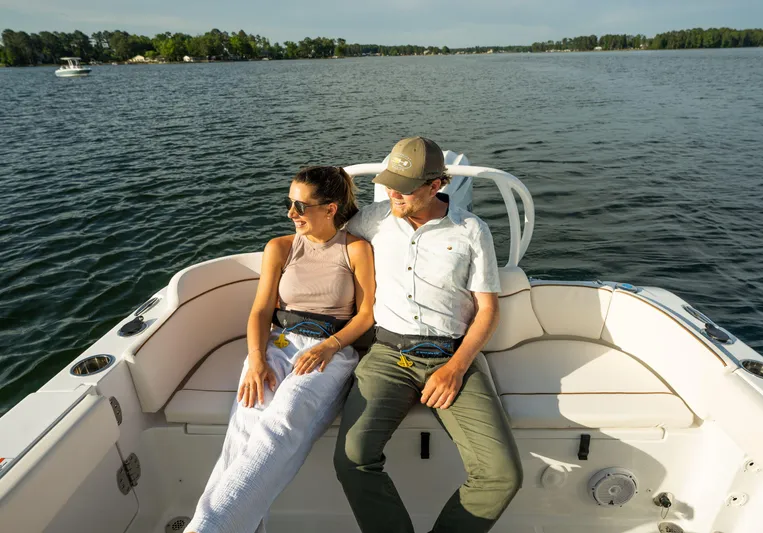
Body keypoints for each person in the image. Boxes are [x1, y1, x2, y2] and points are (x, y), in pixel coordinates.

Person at [334, 137, 523, 533]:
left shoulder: (472, 230)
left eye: (403, 188)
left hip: (453, 354)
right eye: (389, 184)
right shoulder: (372, 219)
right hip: (387, 355)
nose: (392, 193)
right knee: (353, 459)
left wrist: (455, 369)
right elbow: (324, 243)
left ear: (436, 185)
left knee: (502, 474)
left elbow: (488, 310)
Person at [186, 166, 375, 533]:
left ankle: (208, 527)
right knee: (246, 423)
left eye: (301, 206)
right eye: (289, 203)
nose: (291, 213)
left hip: (330, 350)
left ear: (330, 209)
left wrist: (330, 347)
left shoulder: (355, 250)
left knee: (283, 418)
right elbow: (260, 310)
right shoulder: (281, 247)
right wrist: (256, 358)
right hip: (279, 343)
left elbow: (366, 315)